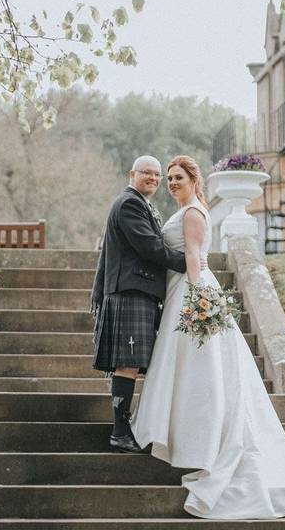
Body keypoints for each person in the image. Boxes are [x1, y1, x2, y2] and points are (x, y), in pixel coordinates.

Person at [132, 155, 285, 519]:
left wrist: (194, 300)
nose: (172, 182)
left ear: (194, 181)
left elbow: (193, 254)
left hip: (191, 292)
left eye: (179, 177)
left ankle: (201, 441)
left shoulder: (192, 213)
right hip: (186, 289)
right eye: (170, 178)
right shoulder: (189, 210)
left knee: (200, 369)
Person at [90, 155, 186, 453]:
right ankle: (120, 432)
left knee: (130, 362)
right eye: (148, 173)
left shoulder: (137, 203)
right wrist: (188, 263)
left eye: (158, 175)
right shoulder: (129, 203)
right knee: (127, 363)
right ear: (132, 173)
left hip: (133, 290)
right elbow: (149, 246)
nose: (154, 179)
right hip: (130, 291)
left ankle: (124, 428)